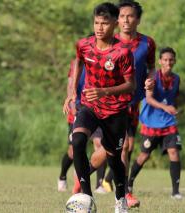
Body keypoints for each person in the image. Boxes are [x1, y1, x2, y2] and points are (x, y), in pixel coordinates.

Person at [63, 2, 136, 212]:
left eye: (104, 23)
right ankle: (85, 195)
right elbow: (78, 61)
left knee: (114, 159)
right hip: (89, 105)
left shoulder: (122, 52)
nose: (99, 27)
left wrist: (105, 91)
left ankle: (120, 199)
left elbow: (131, 85)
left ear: (115, 23)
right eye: (96, 23)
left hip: (116, 111)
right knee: (77, 140)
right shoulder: (84, 45)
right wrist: (72, 92)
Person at [86, 0, 156, 208]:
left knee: (120, 148)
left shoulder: (147, 43)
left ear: (138, 19)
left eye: (130, 16)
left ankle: (82, 174)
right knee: (122, 147)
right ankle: (125, 194)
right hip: (112, 102)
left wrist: (150, 78)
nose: (126, 20)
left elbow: (151, 67)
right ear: (117, 20)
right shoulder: (108, 40)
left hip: (134, 102)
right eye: (122, 16)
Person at [127, 47, 183, 200]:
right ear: (159, 61)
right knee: (144, 156)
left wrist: (174, 109)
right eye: (165, 59)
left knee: (174, 153)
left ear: (175, 61)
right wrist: (166, 107)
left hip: (168, 123)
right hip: (151, 123)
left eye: (171, 59)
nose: (168, 62)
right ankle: (129, 183)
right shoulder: (153, 78)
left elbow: (174, 98)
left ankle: (176, 192)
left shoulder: (176, 79)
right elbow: (149, 98)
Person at [58, 59, 107, 194]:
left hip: (97, 110)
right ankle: (62, 176)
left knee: (100, 144)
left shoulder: (106, 61)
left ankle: (99, 184)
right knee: (74, 151)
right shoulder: (76, 63)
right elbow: (71, 88)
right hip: (79, 110)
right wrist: (73, 107)